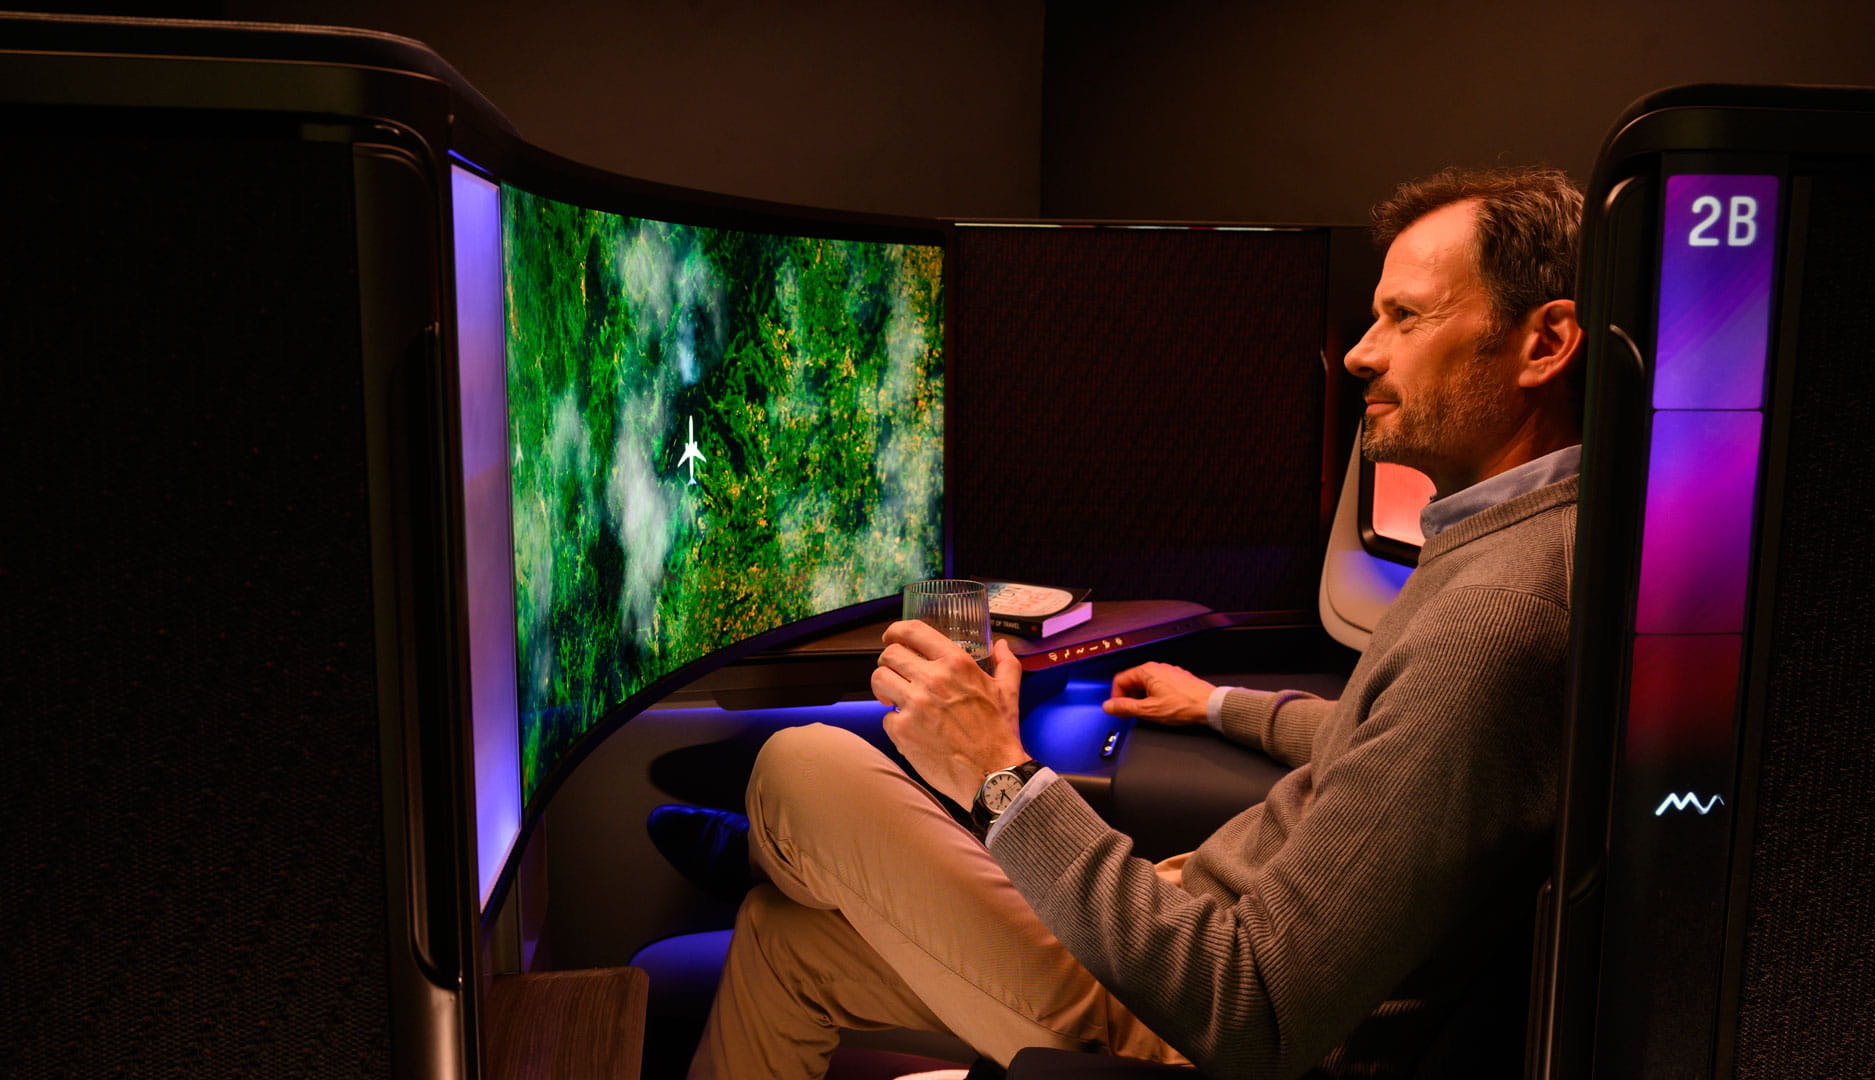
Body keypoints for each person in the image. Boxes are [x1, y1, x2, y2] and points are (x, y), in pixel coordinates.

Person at [653, 166, 1586, 1078]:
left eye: (1407, 317)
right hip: (1183, 920)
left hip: (1183, 1016)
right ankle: (803, 868)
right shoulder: (1519, 544)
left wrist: (999, 777)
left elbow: (1250, 1012)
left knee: (801, 763)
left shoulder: (1495, 616)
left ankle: (794, 854)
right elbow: (1378, 747)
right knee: (784, 943)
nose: (1360, 351)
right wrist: (1217, 703)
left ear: (1543, 344)